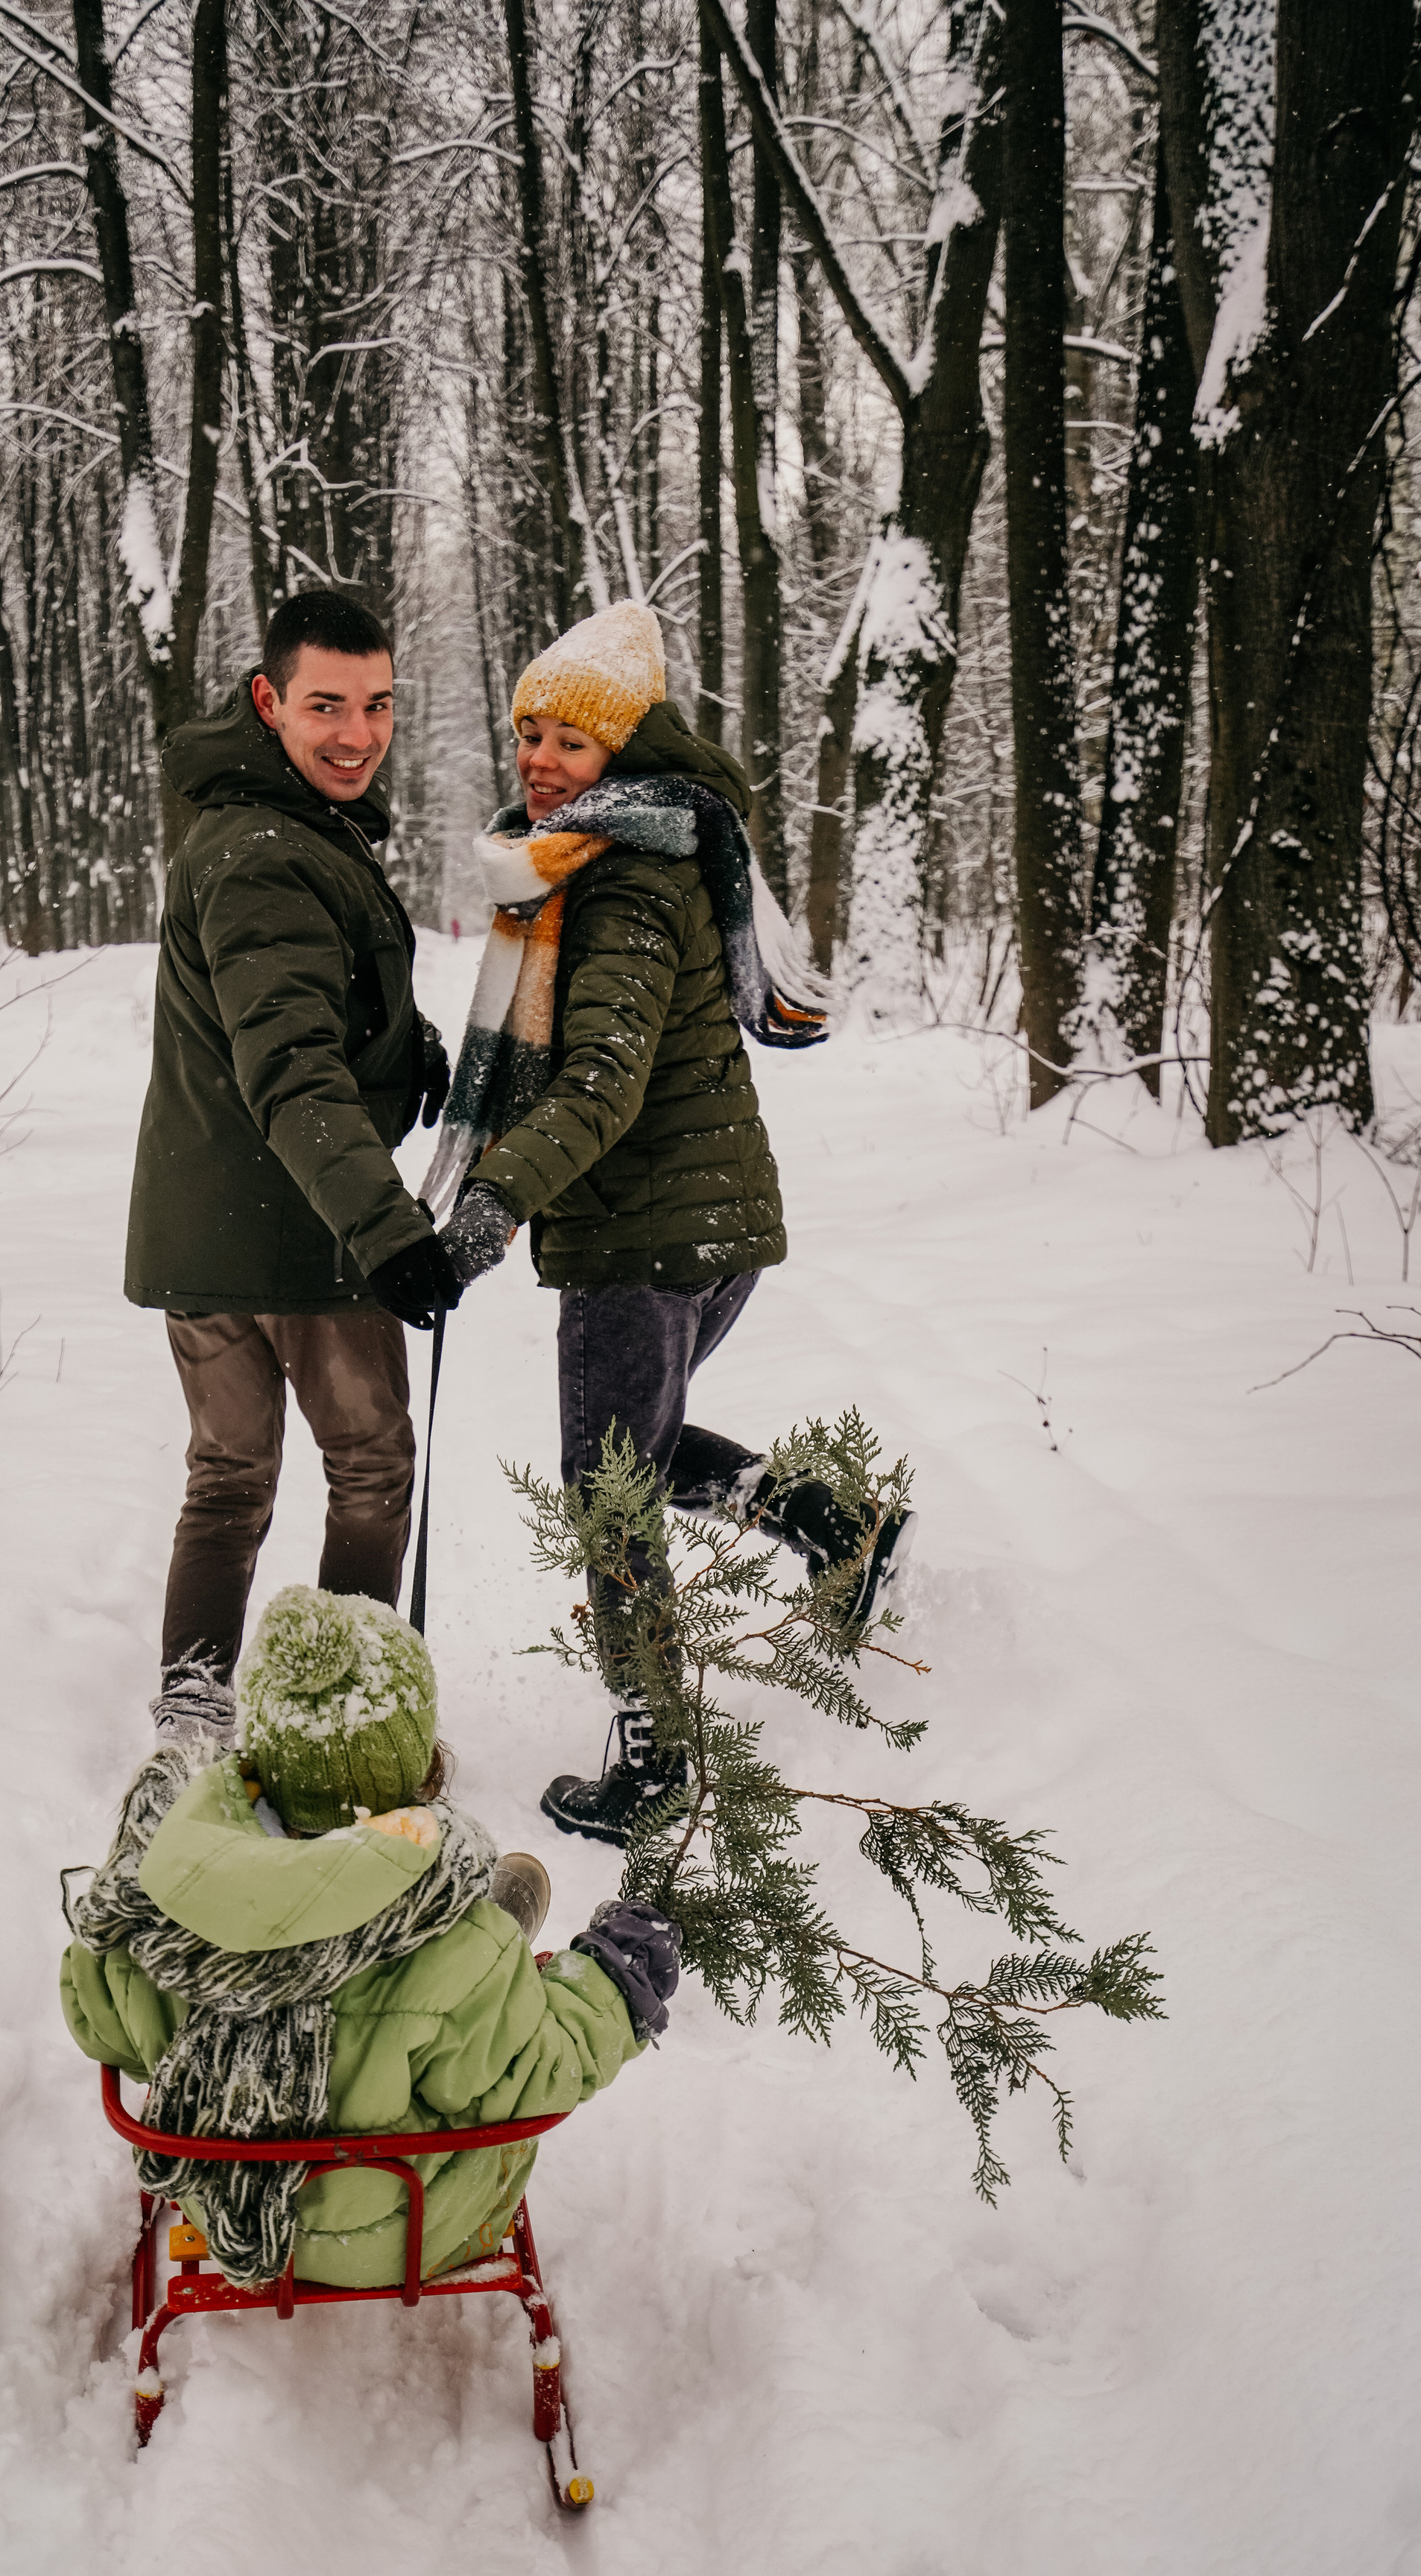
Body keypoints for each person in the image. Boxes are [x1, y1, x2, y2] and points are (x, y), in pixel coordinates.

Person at [415, 601, 911, 1844]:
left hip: (652, 1230)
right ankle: (834, 1522)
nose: (540, 758)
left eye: (571, 741)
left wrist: (485, 1207)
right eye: (529, 731)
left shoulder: (628, 878)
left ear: (624, 754)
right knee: (637, 1441)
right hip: (708, 1219)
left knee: (610, 1485)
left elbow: (600, 1083)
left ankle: (656, 1754)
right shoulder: (604, 859)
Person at [60, 1587, 682, 2291]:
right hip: (401, 2231)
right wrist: (610, 1986)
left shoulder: (163, 1908)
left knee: (465, 1991)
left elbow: (97, 2018)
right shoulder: (461, 1945)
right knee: (483, 2009)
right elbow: (538, 2076)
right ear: (415, 1767)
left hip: (220, 2198)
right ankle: (513, 1908)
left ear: (263, 1756)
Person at [125, 590, 463, 1742]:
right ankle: (342, 1713)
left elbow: (291, 1011)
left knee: (227, 1477)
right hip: (303, 1233)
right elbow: (292, 1072)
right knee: (371, 1468)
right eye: (326, 704)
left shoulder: (260, 824)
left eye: (376, 706)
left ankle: (192, 1710)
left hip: (205, 1227)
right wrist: (387, 1231)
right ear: (269, 702)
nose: (356, 734)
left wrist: (403, 1043)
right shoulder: (272, 850)